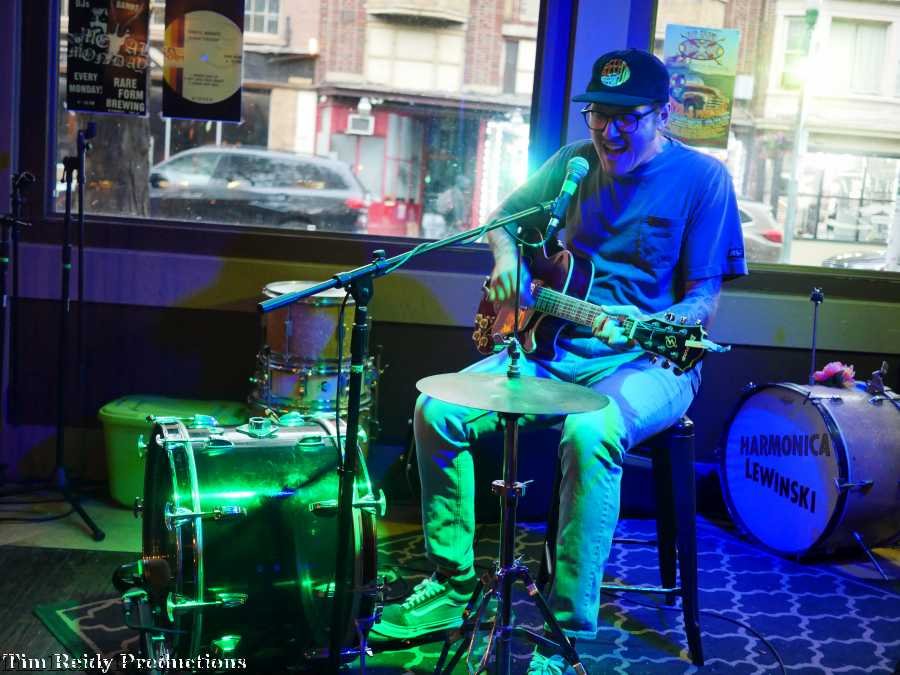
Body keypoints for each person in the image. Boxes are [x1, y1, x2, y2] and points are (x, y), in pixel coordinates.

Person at [371, 48, 748, 674]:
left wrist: (662, 325)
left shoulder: (704, 179)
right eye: (600, 114)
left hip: (651, 362)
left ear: (664, 114)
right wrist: (508, 263)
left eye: (628, 118)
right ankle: (451, 583)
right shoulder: (574, 162)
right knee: (437, 408)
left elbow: (703, 299)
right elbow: (502, 222)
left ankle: (565, 630)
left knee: (591, 430)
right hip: (552, 348)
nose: (610, 131)